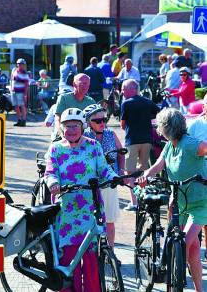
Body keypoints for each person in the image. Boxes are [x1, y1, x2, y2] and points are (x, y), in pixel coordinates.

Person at [44, 107, 118, 292]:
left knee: (91, 257)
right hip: (67, 209)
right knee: (70, 257)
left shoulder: (93, 146)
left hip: (90, 208)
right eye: (67, 126)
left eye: (75, 126)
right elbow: (50, 171)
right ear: (61, 128)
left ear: (83, 126)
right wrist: (53, 183)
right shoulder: (56, 148)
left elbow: (103, 168)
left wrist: (112, 177)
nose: (71, 130)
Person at [137, 108, 207, 292]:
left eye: (160, 126)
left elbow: (204, 147)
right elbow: (159, 164)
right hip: (180, 202)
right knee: (192, 251)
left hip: (200, 202)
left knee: (184, 243)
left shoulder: (189, 143)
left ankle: (173, 280)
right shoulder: (169, 146)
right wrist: (145, 175)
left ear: (166, 128)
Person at [83, 104, 125, 248]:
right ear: (88, 122)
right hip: (89, 185)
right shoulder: (83, 137)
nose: (102, 123)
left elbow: (121, 152)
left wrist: (121, 171)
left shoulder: (110, 134)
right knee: (89, 220)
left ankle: (110, 252)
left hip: (108, 182)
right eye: (97, 121)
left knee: (110, 220)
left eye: (104, 119)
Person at [120, 79, 160, 211]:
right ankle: (146, 200)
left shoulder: (126, 103)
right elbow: (158, 113)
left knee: (130, 172)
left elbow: (122, 124)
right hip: (147, 140)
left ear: (131, 89)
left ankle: (135, 203)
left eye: (123, 89)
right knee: (144, 171)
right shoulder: (147, 102)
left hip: (132, 140)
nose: (122, 91)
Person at [187, 93, 207, 260]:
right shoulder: (195, 125)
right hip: (197, 177)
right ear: (204, 107)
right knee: (199, 216)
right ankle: (191, 253)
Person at [10, 58, 29, 126]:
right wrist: (11, 87)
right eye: (19, 64)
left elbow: (26, 84)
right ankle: (19, 120)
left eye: (21, 64)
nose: (20, 65)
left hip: (21, 92)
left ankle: (23, 120)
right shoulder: (14, 71)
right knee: (16, 106)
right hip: (13, 91)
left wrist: (25, 94)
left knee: (22, 105)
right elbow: (12, 80)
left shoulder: (25, 73)